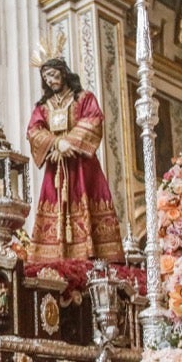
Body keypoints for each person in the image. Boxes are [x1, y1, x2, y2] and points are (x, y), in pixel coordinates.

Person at [25, 57, 125, 262]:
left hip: (82, 166)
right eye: (46, 77)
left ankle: (91, 254)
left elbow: (94, 119)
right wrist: (55, 143)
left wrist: (68, 143)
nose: (51, 80)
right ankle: (53, 258)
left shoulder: (83, 98)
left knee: (86, 201)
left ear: (63, 73)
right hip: (56, 169)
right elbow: (33, 130)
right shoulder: (43, 106)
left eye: (53, 75)